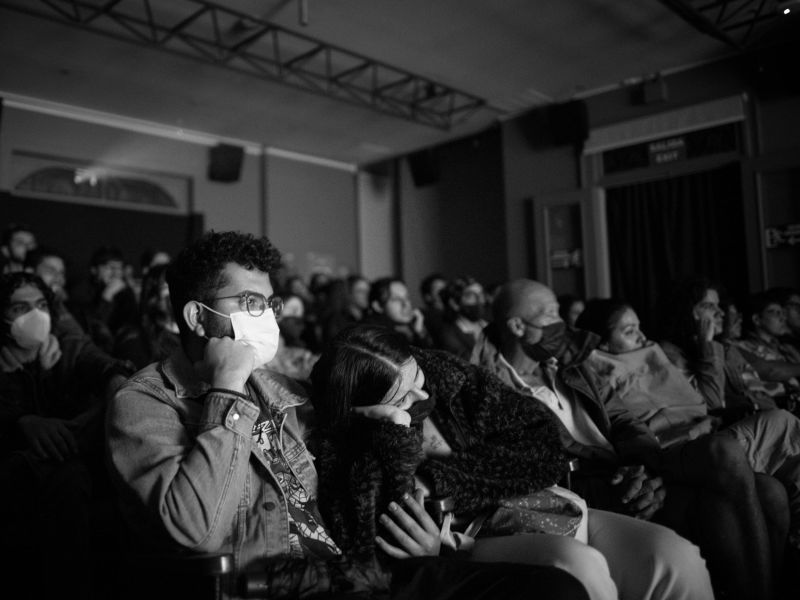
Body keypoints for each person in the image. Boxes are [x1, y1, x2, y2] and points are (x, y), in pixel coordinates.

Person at [105, 231, 591, 600]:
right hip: (285, 582)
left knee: (556, 588)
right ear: (196, 318)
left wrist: (389, 441)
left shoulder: (277, 387)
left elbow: (346, 471)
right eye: (250, 303)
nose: (267, 317)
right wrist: (226, 389)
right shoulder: (145, 403)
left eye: (269, 302)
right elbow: (197, 529)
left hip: (361, 562)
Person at [311, 324, 714, 600]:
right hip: (468, 543)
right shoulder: (348, 448)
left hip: (548, 502)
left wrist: (443, 481)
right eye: (401, 399)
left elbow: (541, 440)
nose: (420, 397)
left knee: (675, 557)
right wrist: (392, 433)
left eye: (416, 378)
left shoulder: (443, 375)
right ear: (359, 410)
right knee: (578, 569)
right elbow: (372, 540)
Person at [480, 279, 787, 600]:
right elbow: (544, 461)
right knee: (738, 485)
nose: (562, 324)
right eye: (550, 315)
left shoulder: (571, 366)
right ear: (517, 325)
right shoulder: (491, 386)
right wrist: (627, 476)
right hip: (591, 485)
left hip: (636, 465)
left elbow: (624, 419)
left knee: (771, 490)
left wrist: (642, 466)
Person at [0, 272, 133, 598]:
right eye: (19, 308)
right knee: (70, 472)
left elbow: (102, 364)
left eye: (40, 305)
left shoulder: (66, 351)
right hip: (2, 474)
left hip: (67, 471)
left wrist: (114, 380)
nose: (34, 316)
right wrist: (24, 422)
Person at [579, 295, 800, 552]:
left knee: (772, 487)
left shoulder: (655, 354)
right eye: (629, 331)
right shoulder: (598, 371)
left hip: (707, 432)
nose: (641, 336)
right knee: (781, 422)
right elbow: (627, 429)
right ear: (601, 341)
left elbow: (707, 401)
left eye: (639, 327)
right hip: (675, 448)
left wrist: (707, 346)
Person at [72, 245, 139, 353]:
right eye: (110, 267)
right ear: (94, 270)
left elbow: (131, 325)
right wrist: (106, 298)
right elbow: (92, 330)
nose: (116, 273)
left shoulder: (125, 292)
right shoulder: (81, 292)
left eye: (119, 268)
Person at [364, 277, 433, 348]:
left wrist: (420, 333)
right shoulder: (372, 335)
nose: (406, 304)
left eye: (407, 297)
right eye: (396, 299)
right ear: (378, 306)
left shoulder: (409, 327)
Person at [433, 277, 489, 363]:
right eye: (471, 296)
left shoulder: (487, 326)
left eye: (481, 294)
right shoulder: (449, 335)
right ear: (455, 303)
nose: (480, 300)